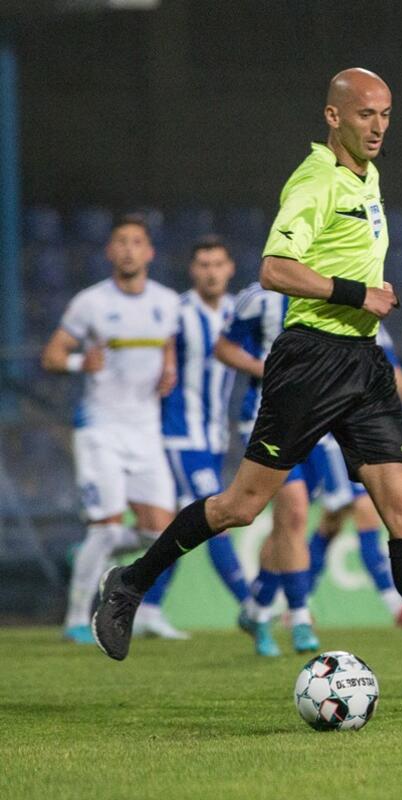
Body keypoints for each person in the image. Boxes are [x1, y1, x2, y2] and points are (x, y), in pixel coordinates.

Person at [93, 67, 402, 712]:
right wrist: (359, 293)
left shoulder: (368, 177)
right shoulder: (314, 181)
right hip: (310, 360)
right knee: (241, 506)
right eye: (366, 114)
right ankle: (129, 583)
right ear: (334, 116)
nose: (378, 126)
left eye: (386, 114)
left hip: (364, 363)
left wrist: (367, 299)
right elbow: (274, 269)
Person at [41, 215, 181, 643]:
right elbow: (51, 355)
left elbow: (167, 344)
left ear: (149, 252)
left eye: (137, 242)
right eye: (121, 241)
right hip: (100, 427)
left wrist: (169, 369)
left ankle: (88, 551)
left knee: (161, 532)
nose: (128, 249)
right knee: (105, 526)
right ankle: (75, 621)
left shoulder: (167, 302)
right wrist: (80, 361)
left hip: (145, 429)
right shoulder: (90, 303)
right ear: (109, 251)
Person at [308, 324, 402, 626]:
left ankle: (294, 601)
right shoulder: (322, 322)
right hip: (330, 435)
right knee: (365, 509)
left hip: (362, 432)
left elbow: (395, 376)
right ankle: (396, 604)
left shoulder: (376, 329)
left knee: (332, 523)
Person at [215, 278, 331, 657]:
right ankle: (299, 616)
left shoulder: (335, 289)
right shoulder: (257, 298)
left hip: (317, 423)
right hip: (268, 420)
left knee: (287, 525)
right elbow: (224, 347)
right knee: (295, 512)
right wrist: (265, 368)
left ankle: (256, 610)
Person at [157, 236, 255, 633]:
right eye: (203, 265)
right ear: (192, 270)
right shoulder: (177, 312)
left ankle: (147, 606)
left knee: (180, 523)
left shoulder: (237, 311)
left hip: (215, 437)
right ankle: (252, 605)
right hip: (180, 435)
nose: (211, 272)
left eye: (217, 264)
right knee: (216, 520)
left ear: (230, 269)